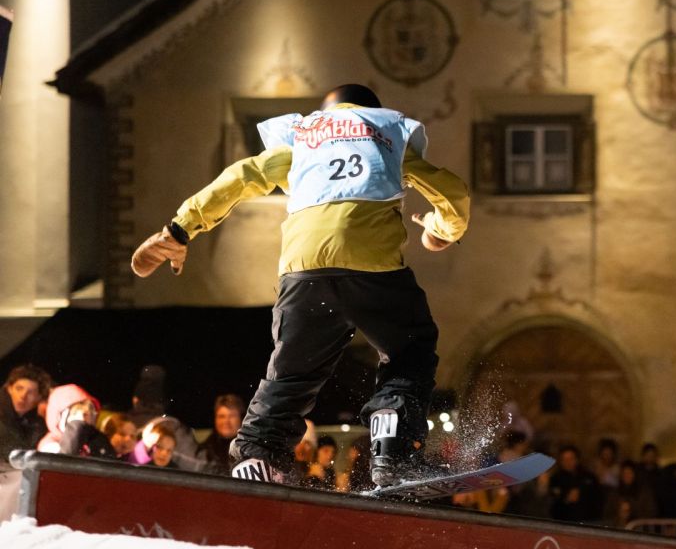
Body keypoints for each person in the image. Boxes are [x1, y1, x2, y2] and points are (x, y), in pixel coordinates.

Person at [130, 84, 469, 486]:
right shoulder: (385, 134)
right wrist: (441, 229)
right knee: (410, 349)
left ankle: (257, 454)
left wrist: (180, 229)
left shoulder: (303, 137)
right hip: (373, 269)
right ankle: (392, 440)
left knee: (293, 372)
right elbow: (452, 192)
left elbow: (241, 177)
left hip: (304, 272)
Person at [1, 364, 52, 456]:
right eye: (19, 389)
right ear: (9, 389)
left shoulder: (40, 427)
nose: (23, 396)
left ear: (39, 397)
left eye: (30, 392)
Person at [37, 384, 101, 454]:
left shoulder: (92, 442)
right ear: (60, 418)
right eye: (74, 414)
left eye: (87, 415)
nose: (82, 420)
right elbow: (65, 457)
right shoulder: (49, 445)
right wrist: (76, 426)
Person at [549, 445, 603, 522]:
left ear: (577, 459)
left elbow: (598, 497)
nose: (568, 462)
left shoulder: (589, 477)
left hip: (589, 520)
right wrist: (566, 499)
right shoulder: (556, 479)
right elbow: (553, 503)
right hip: (564, 520)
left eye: (571, 459)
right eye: (564, 460)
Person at [197, 394, 245, 475]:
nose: (226, 421)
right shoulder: (205, 450)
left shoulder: (250, 448)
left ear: (241, 418)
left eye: (232, 416)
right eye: (221, 416)